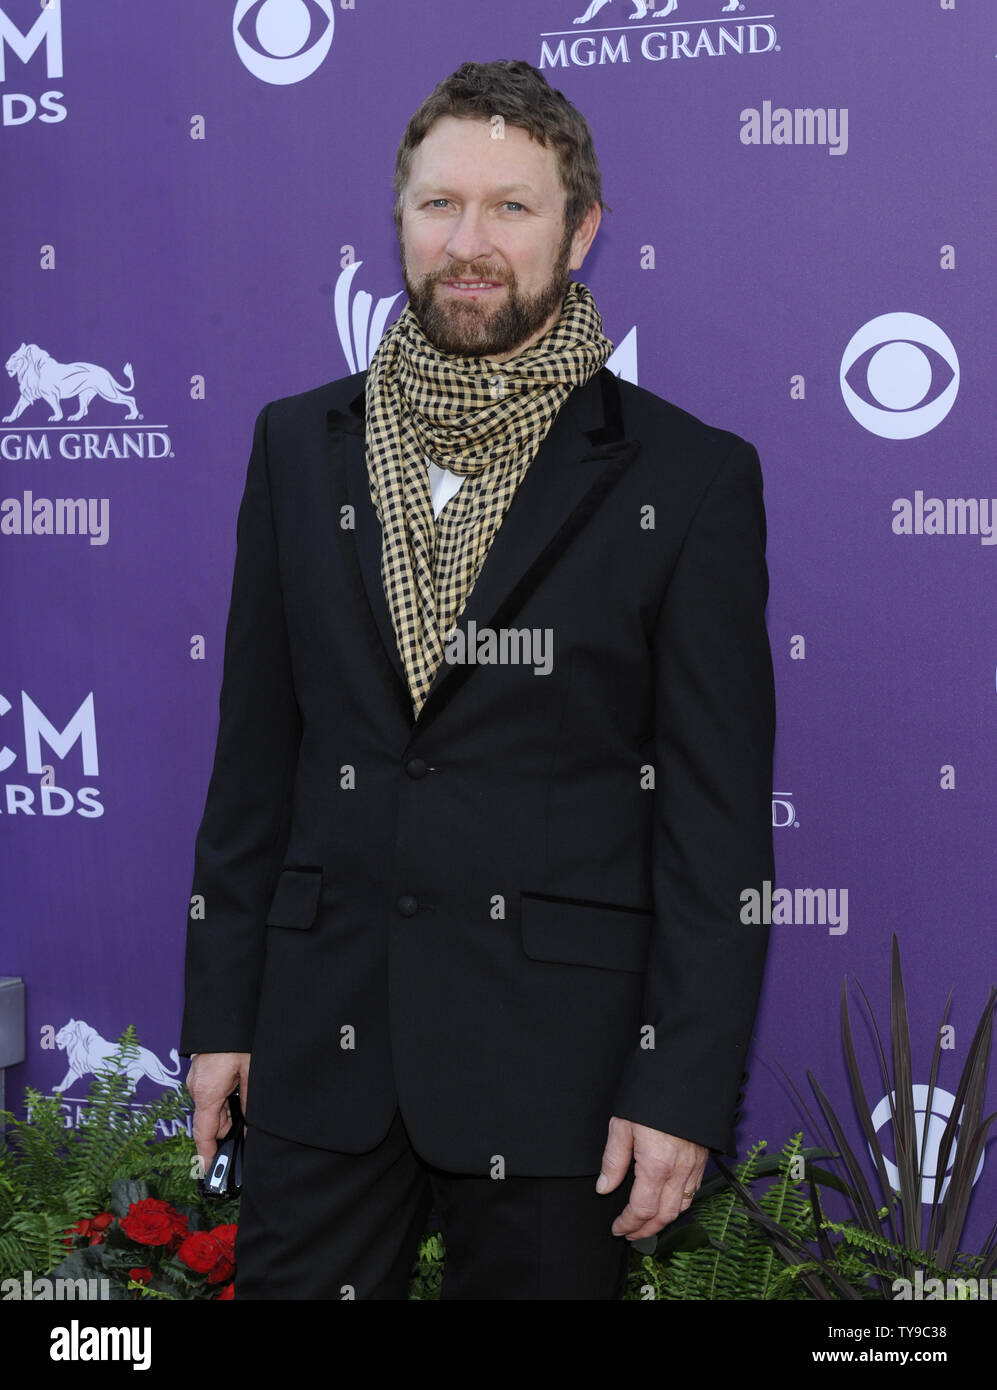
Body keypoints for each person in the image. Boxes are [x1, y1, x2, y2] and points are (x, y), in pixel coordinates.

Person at [181, 58, 775, 1301]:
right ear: (396, 221)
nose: (469, 242)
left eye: (511, 206)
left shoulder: (690, 476)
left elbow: (717, 833)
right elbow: (253, 765)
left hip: (558, 1071)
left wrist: (676, 1088)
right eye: (438, 205)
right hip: (322, 1048)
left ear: (581, 229)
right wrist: (222, 1016)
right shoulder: (297, 446)